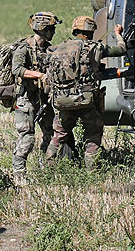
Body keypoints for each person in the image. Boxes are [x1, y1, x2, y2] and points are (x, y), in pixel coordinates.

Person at [45, 16, 126, 168]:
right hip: (87, 102)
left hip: (63, 101)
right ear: (92, 31)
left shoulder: (58, 48)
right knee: (92, 137)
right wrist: (117, 34)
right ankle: (92, 172)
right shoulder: (95, 47)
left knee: (58, 137)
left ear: (74, 30)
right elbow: (121, 49)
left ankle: (47, 169)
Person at [10, 12, 61, 182]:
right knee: (27, 138)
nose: (53, 32)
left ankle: (47, 171)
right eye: (50, 29)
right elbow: (16, 69)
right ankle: (19, 175)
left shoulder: (48, 49)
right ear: (41, 29)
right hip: (26, 99)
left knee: (51, 133)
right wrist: (39, 75)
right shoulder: (23, 48)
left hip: (44, 100)